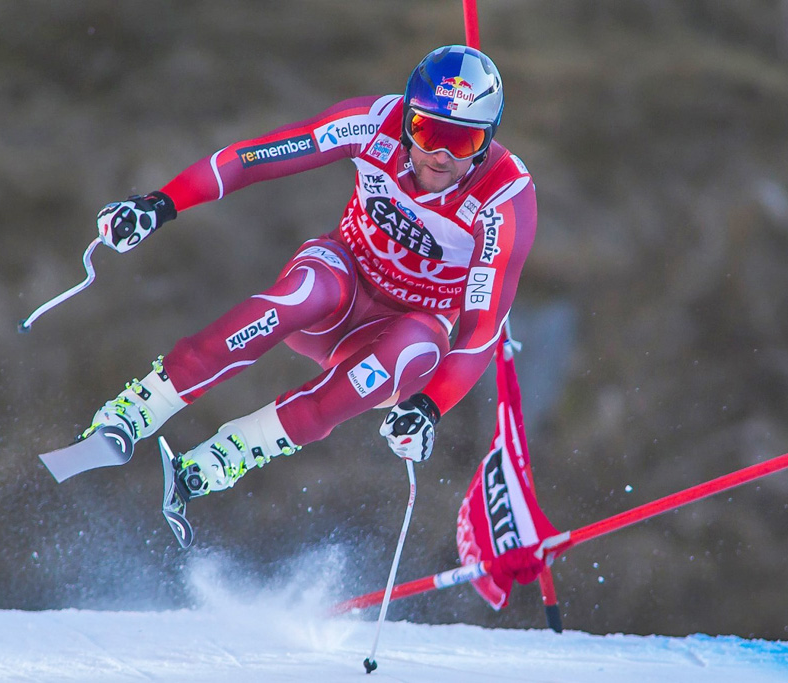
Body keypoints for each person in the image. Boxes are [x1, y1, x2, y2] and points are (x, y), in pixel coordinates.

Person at [83, 44, 537, 512]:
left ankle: (231, 453)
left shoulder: (505, 198)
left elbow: (482, 331)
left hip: (403, 331)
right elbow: (254, 158)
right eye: (427, 132)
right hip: (341, 286)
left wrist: (430, 408)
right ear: (405, 120)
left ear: (487, 139)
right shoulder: (372, 121)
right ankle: (143, 405)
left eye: (463, 142)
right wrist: (161, 204)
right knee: (306, 292)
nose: (440, 157)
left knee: (413, 347)